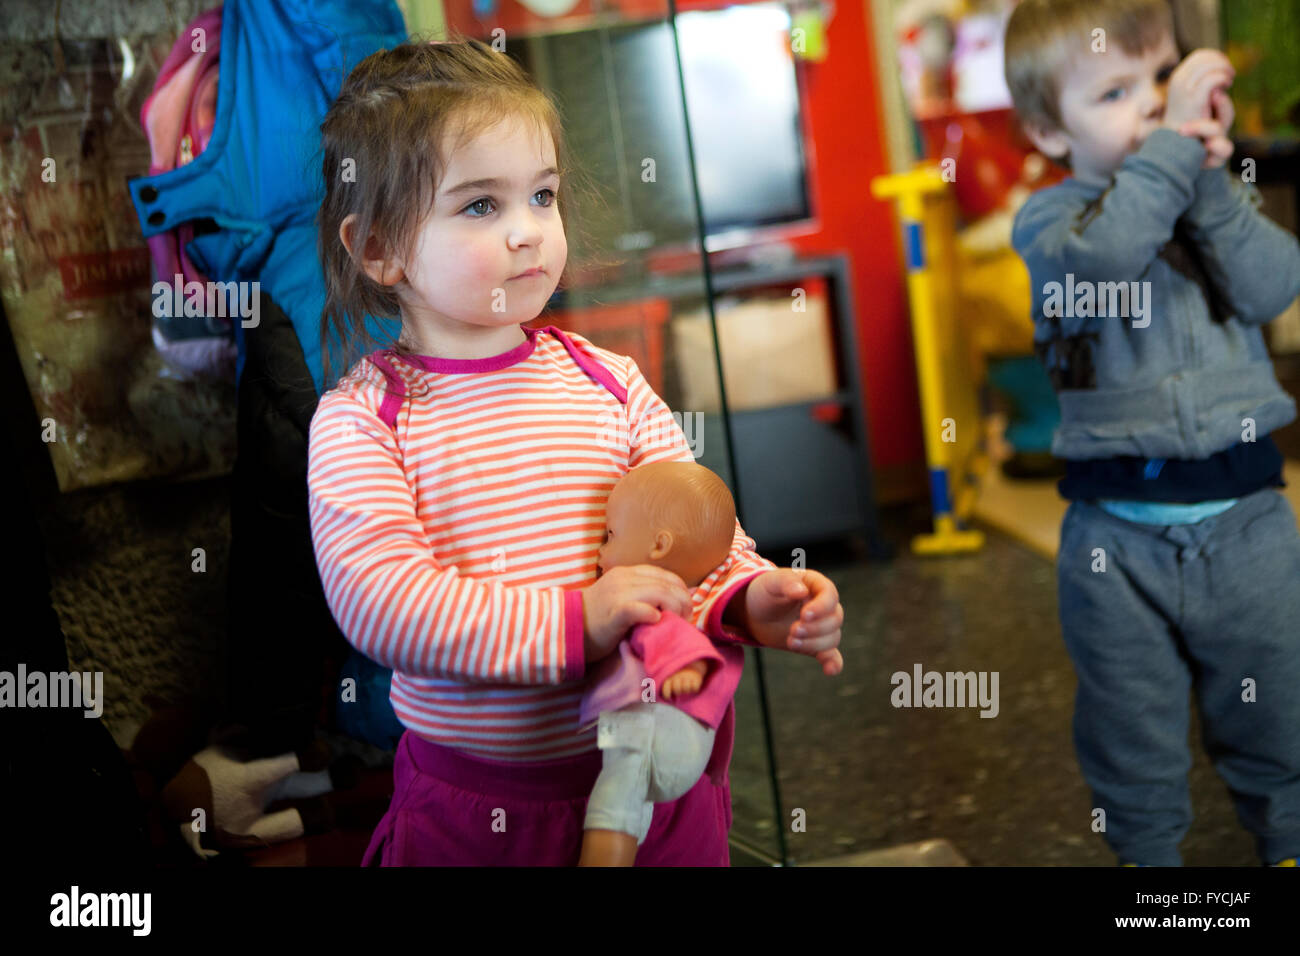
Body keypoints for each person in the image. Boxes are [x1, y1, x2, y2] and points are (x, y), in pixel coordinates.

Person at [307, 37, 844, 866]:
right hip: (481, 813)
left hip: (656, 801)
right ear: (378, 246)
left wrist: (749, 596)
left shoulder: (611, 380)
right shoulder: (363, 421)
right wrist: (576, 622)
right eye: (481, 206)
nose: (529, 232)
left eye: (543, 195)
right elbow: (384, 603)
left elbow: (694, 539)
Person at [1004, 0, 1300, 866]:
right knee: (1131, 734)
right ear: (1049, 132)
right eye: (1114, 92)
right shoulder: (1051, 222)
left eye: (1164, 76)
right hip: (1115, 544)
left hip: (1247, 522)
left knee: (1278, 710)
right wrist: (1174, 153)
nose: (1153, 106)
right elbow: (1105, 258)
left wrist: (1209, 184)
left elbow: (1276, 284)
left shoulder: (1205, 191)